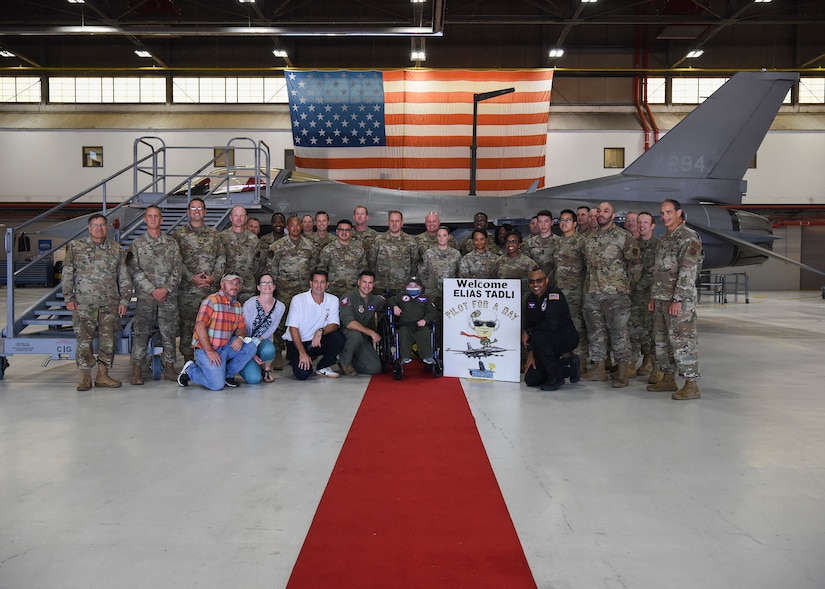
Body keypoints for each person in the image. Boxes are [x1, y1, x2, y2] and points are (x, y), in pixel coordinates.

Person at [62, 213, 133, 390]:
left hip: (110, 303)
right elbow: (68, 273)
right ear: (89, 228)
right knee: (83, 341)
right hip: (84, 303)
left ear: (107, 227)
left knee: (108, 341)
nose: (99, 228)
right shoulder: (76, 247)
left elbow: (124, 276)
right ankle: (85, 377)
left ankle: (103, 375)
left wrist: (125, 300)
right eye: (95, 225)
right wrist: (68, 297)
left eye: (102, 225)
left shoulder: (116, 249)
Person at [647, 199, 704, 400]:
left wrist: (678, 299)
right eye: (662, 213)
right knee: (662, 341)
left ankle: (691, 384)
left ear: (679, 213)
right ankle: (668, 378)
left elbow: (687, 271)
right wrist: (655, 296)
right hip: (662, 299)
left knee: (683, 341)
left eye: (669, 212)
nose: (665, 216)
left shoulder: (688, 237)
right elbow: (659, 272)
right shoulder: (665, 239)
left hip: (680, 301)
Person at [581, 201, 641, 387]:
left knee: (619, 333)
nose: (601, 214)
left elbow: (636, 266)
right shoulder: (589, 238)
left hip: (616, 295)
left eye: (606, 211)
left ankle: (623, 369)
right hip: (592, 293)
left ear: (613, 215)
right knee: (595, 333)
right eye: (599, 211)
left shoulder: (624, 237)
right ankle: (599, 368)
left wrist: (624, 287)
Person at [126, 205, 182, 385]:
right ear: (144, 219)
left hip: (168, 297)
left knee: (169, 332)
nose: (152, 219)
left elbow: (177, 268)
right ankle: (137, 368)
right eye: (149, 216)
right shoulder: (137, 245)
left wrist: (166, 289)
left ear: (161, 219)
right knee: (141, 332)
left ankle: (170, 366)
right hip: (145, 298)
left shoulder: (172, 243)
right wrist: (152, 290)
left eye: (156, 216)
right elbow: (134, 271)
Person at [177, 274, 257, 390]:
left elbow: (242, 328)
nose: (234, 286)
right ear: (222, 284)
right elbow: (200, 326)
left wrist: (240, 338)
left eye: (237, 283)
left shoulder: (237, 305)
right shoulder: (211, 301)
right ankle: (191, 370)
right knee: (216, 385)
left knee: (250, 346)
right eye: (231, 283)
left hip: (224, 347)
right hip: (205, 349)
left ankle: (227, 375)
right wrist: (209, 351)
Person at [172, 198, 226, 363]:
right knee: (188, 327)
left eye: (200, 208)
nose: (196, 211)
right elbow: (175, 261)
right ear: (188, 212)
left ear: (205, 211)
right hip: (188, 291)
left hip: (209, 292)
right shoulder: (179, 234)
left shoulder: (214, 234)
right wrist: (191, 278)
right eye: (193, 208)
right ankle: (189, 361)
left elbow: (221, 257)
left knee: (211, 326)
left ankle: (209, 359)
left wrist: (214, 277)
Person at [263, 215, 317, 369]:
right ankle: (279, 352)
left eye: (297, 225)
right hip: (284, 291)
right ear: (287, 226)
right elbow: (271, 270)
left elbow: (313, 268)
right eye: (291, 225)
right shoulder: (277, 246)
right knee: (282, 322)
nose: (295, 228)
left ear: (301, 226)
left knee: (303, 321)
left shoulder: (310, 246)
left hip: (303, 292)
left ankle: (301, 350)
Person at [522, 268, 580, 391]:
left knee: (538, 337)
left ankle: (557, 378)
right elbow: (528, 326)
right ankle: (567, 366)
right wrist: (531, 354)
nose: (535, 285)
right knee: (532, 379)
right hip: (543, 342)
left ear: (546, 280)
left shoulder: (554, 295)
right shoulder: (531, 299)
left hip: (565, 337)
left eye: (539, 281)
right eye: (532, 282)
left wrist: (529, 333)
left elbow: (551, 324)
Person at [282, 269, 345, 380]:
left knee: (338, 338)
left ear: (327, 285)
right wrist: (302, 353)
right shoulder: (298, 300)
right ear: (311, 283)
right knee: (303, 374)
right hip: (297, 343)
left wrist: (320, 331)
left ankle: (322, 367)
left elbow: (334, 324)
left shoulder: (333, 300)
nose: (319, 285)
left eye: (322, 282)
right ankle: (301, 358)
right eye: (316, 282)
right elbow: (293, 329)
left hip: (316, 342)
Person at [554, 209, 588, 371]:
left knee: (577, 325)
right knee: (562, 326)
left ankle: (580, 359)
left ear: (575, 223)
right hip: (560, 292)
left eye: (567, 220)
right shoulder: (558, 242)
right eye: (561, 220)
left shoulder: (581, 241)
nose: (564, 223)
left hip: (576, 292)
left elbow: (588, 267)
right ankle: (566, 357)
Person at [338, 270, 385, 376]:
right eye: (364, 282)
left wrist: (395, 305)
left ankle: (354, 358)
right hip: (347, 335)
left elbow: (387, 303)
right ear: (358, 282)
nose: (367, 286)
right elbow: (349, 323)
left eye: (370, 283)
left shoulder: (375, 300)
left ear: (374, 284)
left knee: (375, 368)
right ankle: (344, 362)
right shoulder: (348, 298)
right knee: (356, 336)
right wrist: (371, 333)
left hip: (362, 336)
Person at [241, 274, 286, 384]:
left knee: (269, 349)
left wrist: (259, 340)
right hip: (246, 341)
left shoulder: (280, 307)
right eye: (264, 283)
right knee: (254, 379)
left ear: (274, 286)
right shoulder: (249, 304)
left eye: (270, 283)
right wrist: (251, 350)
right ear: (258, 287)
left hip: (262, 339)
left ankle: (267, 370)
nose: (267, 285)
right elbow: (244, 327)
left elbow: (272, 329)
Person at [632, 211, 661, 377]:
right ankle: (632, 362)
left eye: (645, 223)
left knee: (652, 331)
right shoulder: (633, 245)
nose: (641, 225)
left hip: (651, 295)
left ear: (652, 226)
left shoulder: (658, 245)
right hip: (634, 295)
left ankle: (652, 363)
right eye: (639, 222)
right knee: (635, 329)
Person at [386, 277, 437, 365]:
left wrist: (425, 320)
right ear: (406, 287)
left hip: (420, 325)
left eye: (415, 285)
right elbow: (388, 301)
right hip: (405, 325)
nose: (412, 287)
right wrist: (394, 306)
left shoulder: (425, 299)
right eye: (410, 285)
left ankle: (427, 356)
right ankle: (405, 356)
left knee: (425, 332)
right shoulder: (401, 297)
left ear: (420, 288)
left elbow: (432, 311)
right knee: (403, 333)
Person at [368, 210, 419, 295]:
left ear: (402, 223)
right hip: (381, 287)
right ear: (388, 222)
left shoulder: (411, 242)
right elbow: (371, 262)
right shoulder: (378, 240)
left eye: (397, 221)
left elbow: (414, 265)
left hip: (402, 288)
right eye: (392, 221)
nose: (394, 224)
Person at [316, 219, 367, 297]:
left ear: (351, 232)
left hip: (353, 292)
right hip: (332, 292)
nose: (344, 232)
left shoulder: (359, 250)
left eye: (347, 230)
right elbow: (321, 270)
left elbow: (363, 270)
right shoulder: (328, 249)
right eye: (341, 230)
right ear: (336, 231)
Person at [220, 205, 259, 302]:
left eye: (241, 216)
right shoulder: (221, 237)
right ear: (230, 218)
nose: (238, 218)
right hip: (227, 287)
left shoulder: (253, 239)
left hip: (247, 287)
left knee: (246, 315)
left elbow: (258, 263)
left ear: (246, 218)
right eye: (236, 215)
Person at [418, 225, 461, 308]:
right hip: (432, 292)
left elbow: (459, 273)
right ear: (436, 237)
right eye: (439, 235)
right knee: (431, 316)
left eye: (444, 235)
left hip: (450, 292)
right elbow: (422, 272)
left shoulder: (456, 254)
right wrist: (428, 284)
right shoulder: (428, 253)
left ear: (448, 237)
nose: (441, 238)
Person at [494, 230, 537, 303]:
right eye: (508, 242)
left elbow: (535, 283)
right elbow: (494, 280)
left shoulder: (529, 262)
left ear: (519, 245)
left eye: (514, 242)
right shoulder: (498, 261)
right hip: (503, 301)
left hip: (523, 301)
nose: (510, 244)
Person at [523, 209, 559, 281]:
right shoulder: (529, 242)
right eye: (540, 222)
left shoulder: (559, 242)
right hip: (535, 282)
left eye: (546, 221)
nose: (543, 225)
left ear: (551, 222)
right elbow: (526, 264)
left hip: (553, 282)